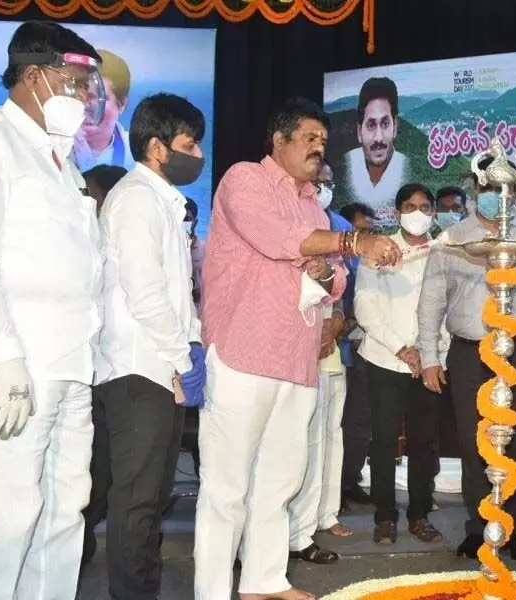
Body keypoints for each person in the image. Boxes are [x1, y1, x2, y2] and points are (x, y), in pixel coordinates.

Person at [194, 96, 400, 600]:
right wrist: (348, 244)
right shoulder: (245, 180)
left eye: (323, 141)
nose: (318, 148)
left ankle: (264, 580)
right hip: (243, 352)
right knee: (228, 489)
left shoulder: (313, 202)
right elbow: (276, 237)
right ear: (279, 140)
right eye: (309, 138)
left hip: (297, 357)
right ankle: (213, 591)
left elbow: (335, 282)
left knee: (281, 479)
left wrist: (328, 268)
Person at [0, 21, 105, 599]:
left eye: (87, 86)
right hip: (15, 366)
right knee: (5, 518)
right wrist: (4, 358)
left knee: (64, 514)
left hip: (69, 362)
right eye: (75, 83)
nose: (83, 98)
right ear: (33, 76)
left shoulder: (63, 161)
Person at [84, 93, 208, 599]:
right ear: (157, 147)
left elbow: (179, 293)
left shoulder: (163, 202)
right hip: (139, 369)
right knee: (136, 501)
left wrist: (193, 344)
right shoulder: (137, 198)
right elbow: (146, 292)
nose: (197, 152)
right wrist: (184, 356)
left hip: (163, 367)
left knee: (152, 498)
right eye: (189, 143)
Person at [418, 158, 516, 563]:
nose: (493, 193)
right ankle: (479, 528)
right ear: (473, 187)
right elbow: (431, 303)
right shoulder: (451, 240)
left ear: (514, 193)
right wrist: (429, 356)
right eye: (484, 185)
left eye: (502, 187)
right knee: (472, 441)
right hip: (468, 353)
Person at [356, 183, 449, 545]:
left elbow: (449, 309)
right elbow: (365, 305)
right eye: (410, 207)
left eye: (425, 207)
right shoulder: (378, 249)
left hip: (429, 362)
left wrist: (429, 353)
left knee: (424, 442)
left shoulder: (445, 253)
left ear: (434, 214)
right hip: (384, 359)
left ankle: (420, 515)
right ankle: (384, 517)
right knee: (382, 441)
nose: (417, 213)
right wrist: (401, 349)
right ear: (397, 212)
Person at [285, 161, 355, 566]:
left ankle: (314, 522)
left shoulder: (335, 229)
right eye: (317, 182)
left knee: (327, 440)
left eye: (327, 183)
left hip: (331, 355)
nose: (322, 188)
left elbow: (342, 290)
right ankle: (293, 531)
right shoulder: (291, 227)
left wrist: (337, 326)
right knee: (298, 447)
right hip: (295, 354)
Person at [342, 77, 409, 219]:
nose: (378, 138)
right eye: (371, 125)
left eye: (385, 124)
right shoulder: (343, 166)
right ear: (360, 132)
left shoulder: (409, 168)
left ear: (395, 127)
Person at [75, 49, 134, 171]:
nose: (87, 105)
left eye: (100, 98)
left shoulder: (137, 154)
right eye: (81, 95)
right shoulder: (54, 147)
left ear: (122, 105)